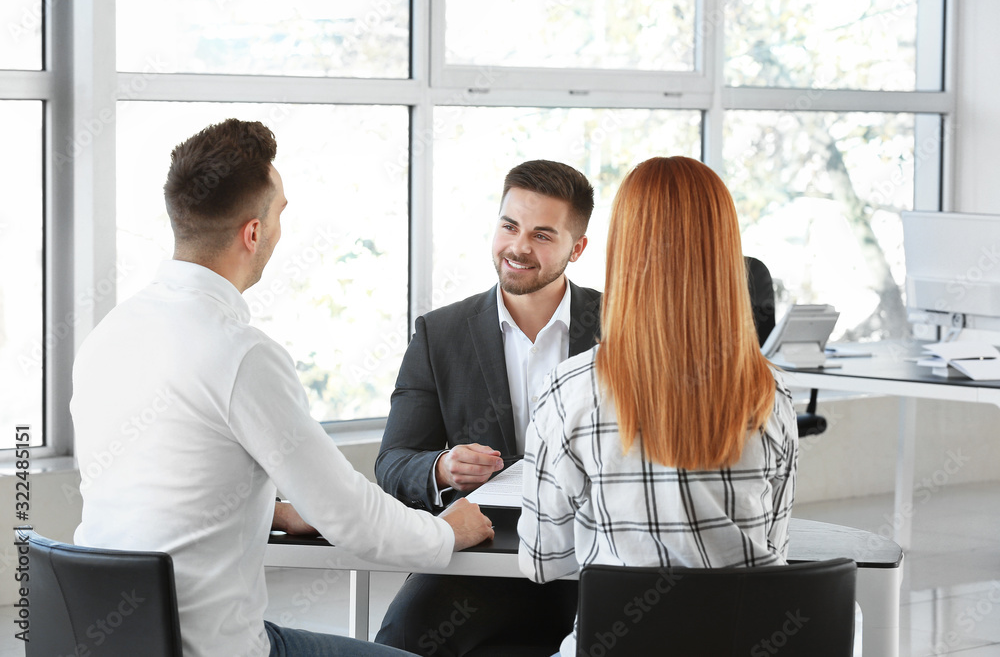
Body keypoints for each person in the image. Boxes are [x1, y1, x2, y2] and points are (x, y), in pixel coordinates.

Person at [71, 119, 494, 657]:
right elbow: (351, 517)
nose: (279, 229)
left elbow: (142, 477)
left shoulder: (111, 333)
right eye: (280, 213)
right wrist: (447, 531)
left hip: (117, 641)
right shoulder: (239, 353)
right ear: (253, 232)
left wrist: (265, 507)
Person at [517, 156, 799, 656]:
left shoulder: (570, 391)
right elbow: (773, 551)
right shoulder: (770, 393)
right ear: (725, 255)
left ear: (623, 253)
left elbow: (544, 561)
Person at [374, 160, 601, 655]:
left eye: (542, 234)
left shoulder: (622, 327)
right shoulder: (441, 334)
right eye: (509, 226)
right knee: (403, 638)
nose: (518, 247)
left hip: (595, 555)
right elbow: (393, 461)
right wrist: (441, 466)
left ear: (577, 248)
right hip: (482, 554)